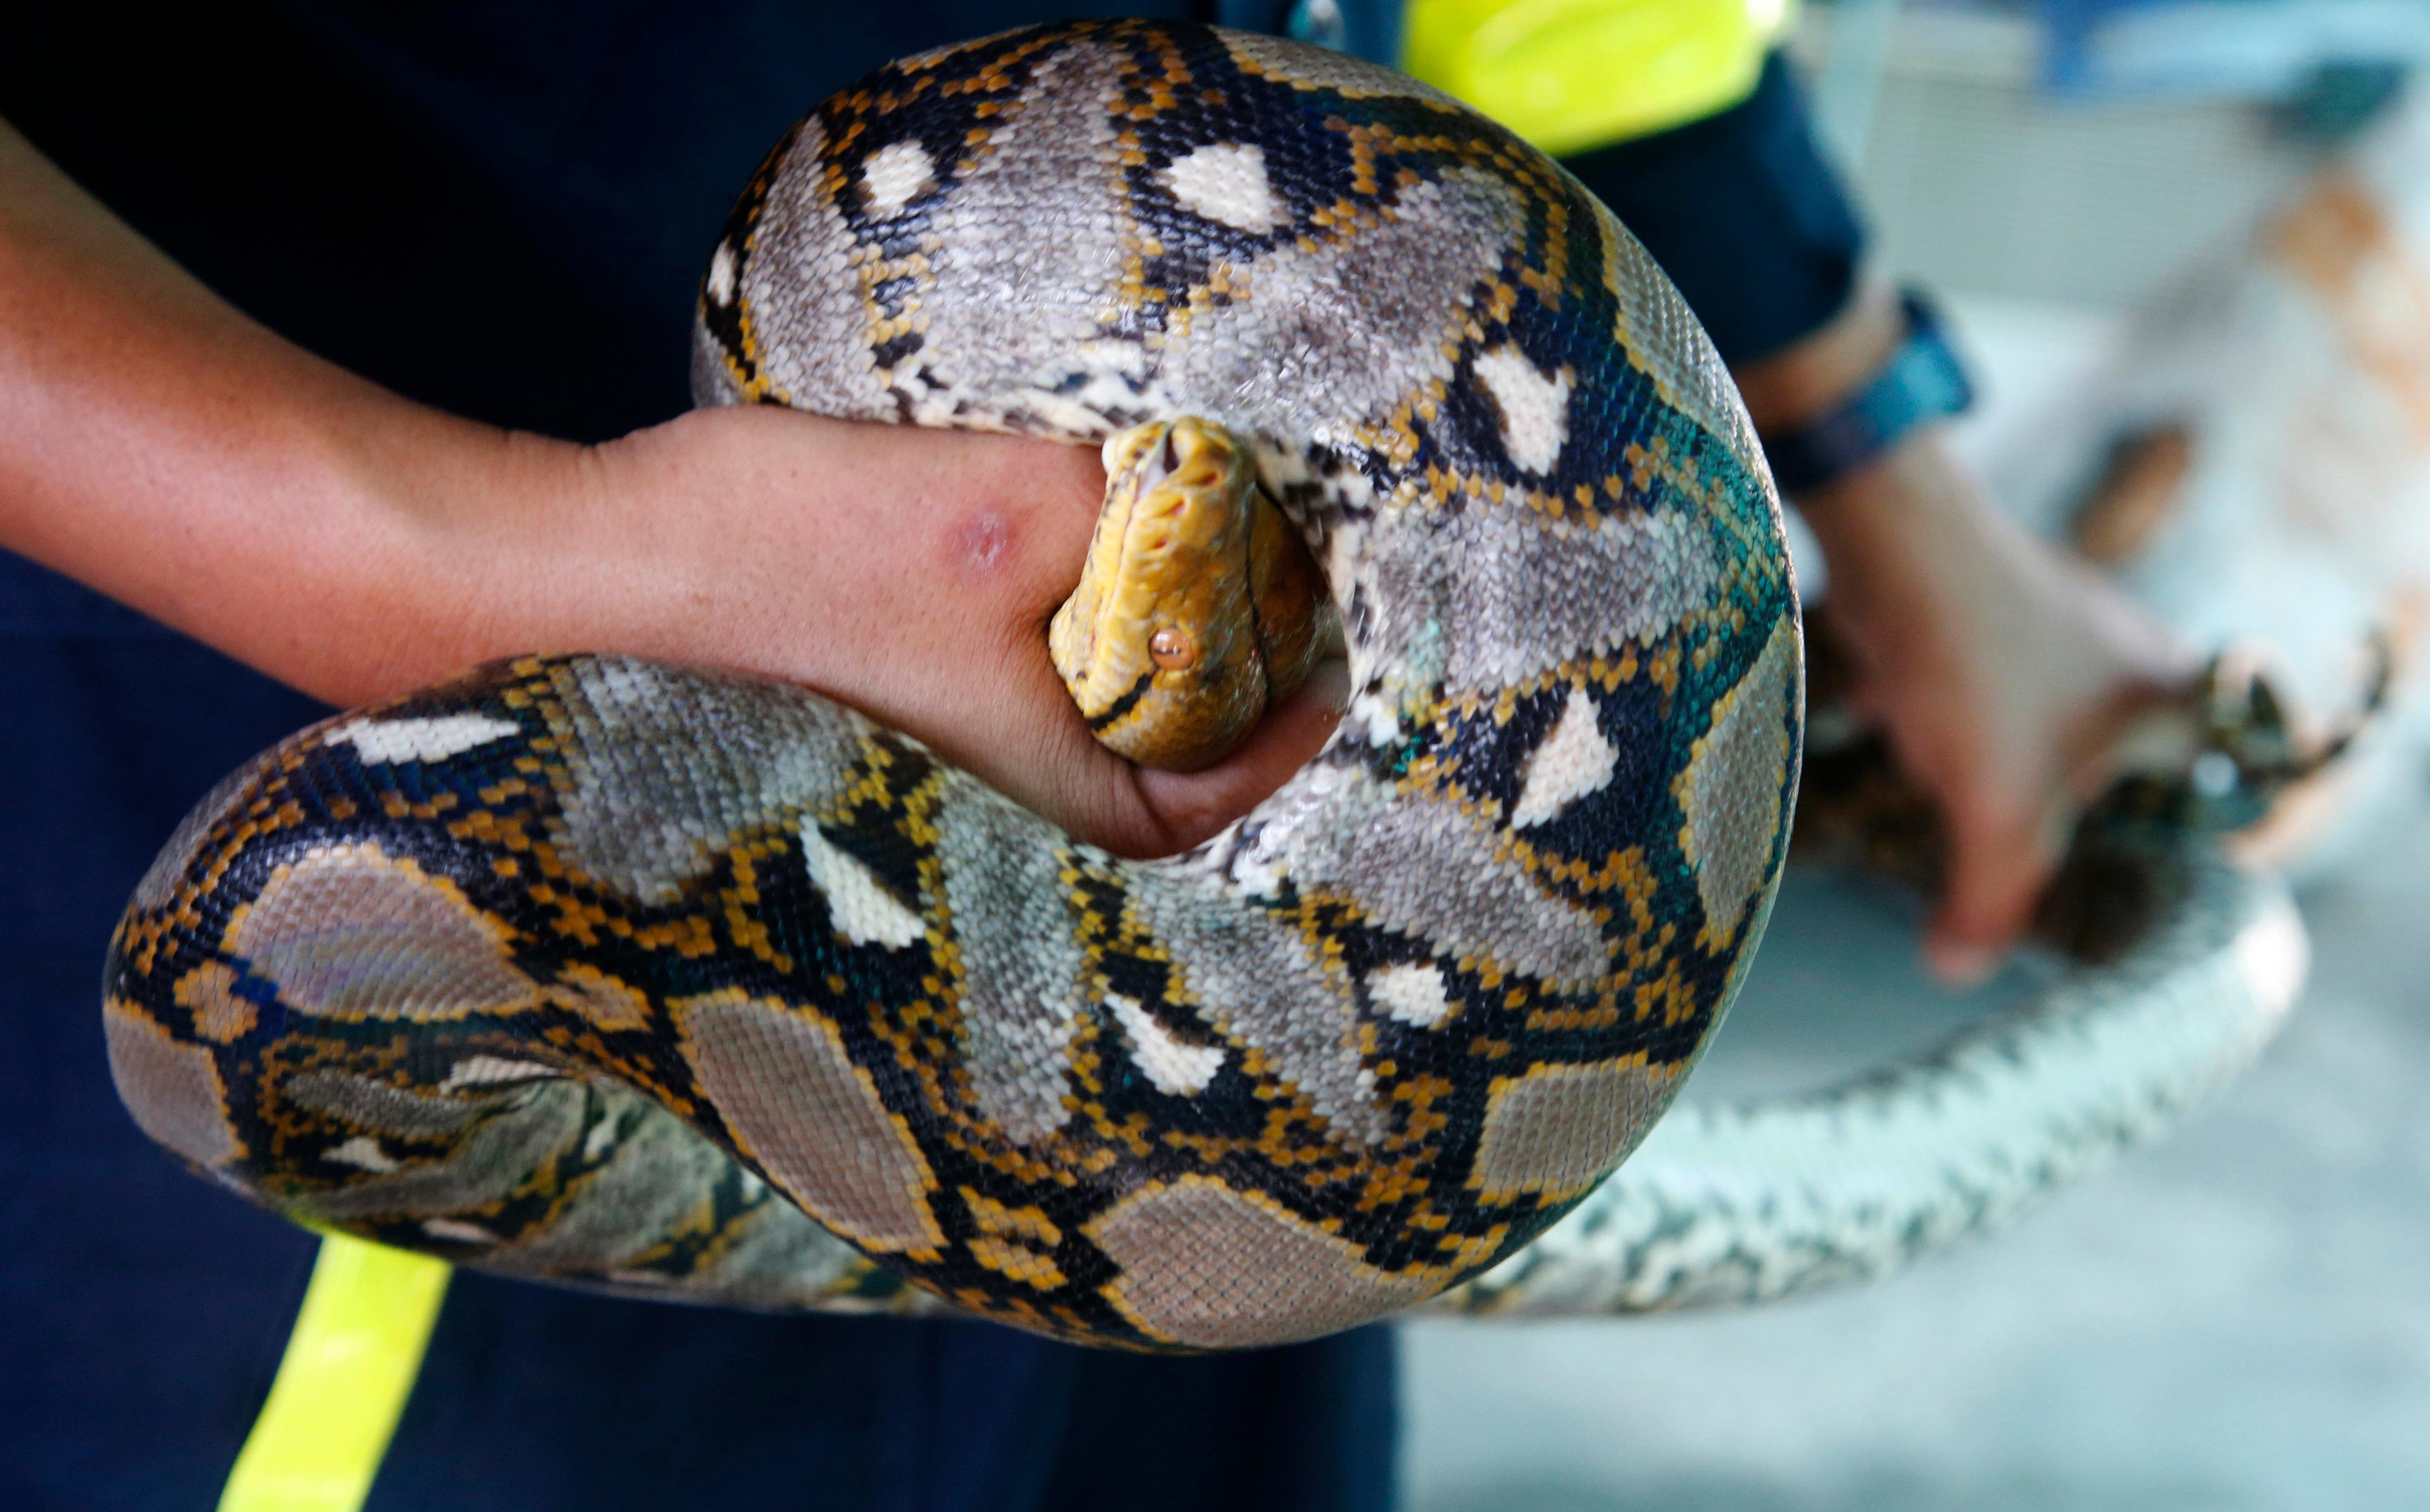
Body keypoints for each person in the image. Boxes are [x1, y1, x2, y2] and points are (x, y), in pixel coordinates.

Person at [0, 2, 2183, 1507]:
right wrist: (451, 571)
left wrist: (1885, 461)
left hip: (1220, 1242)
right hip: (408, 1068)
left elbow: (1597, 36)